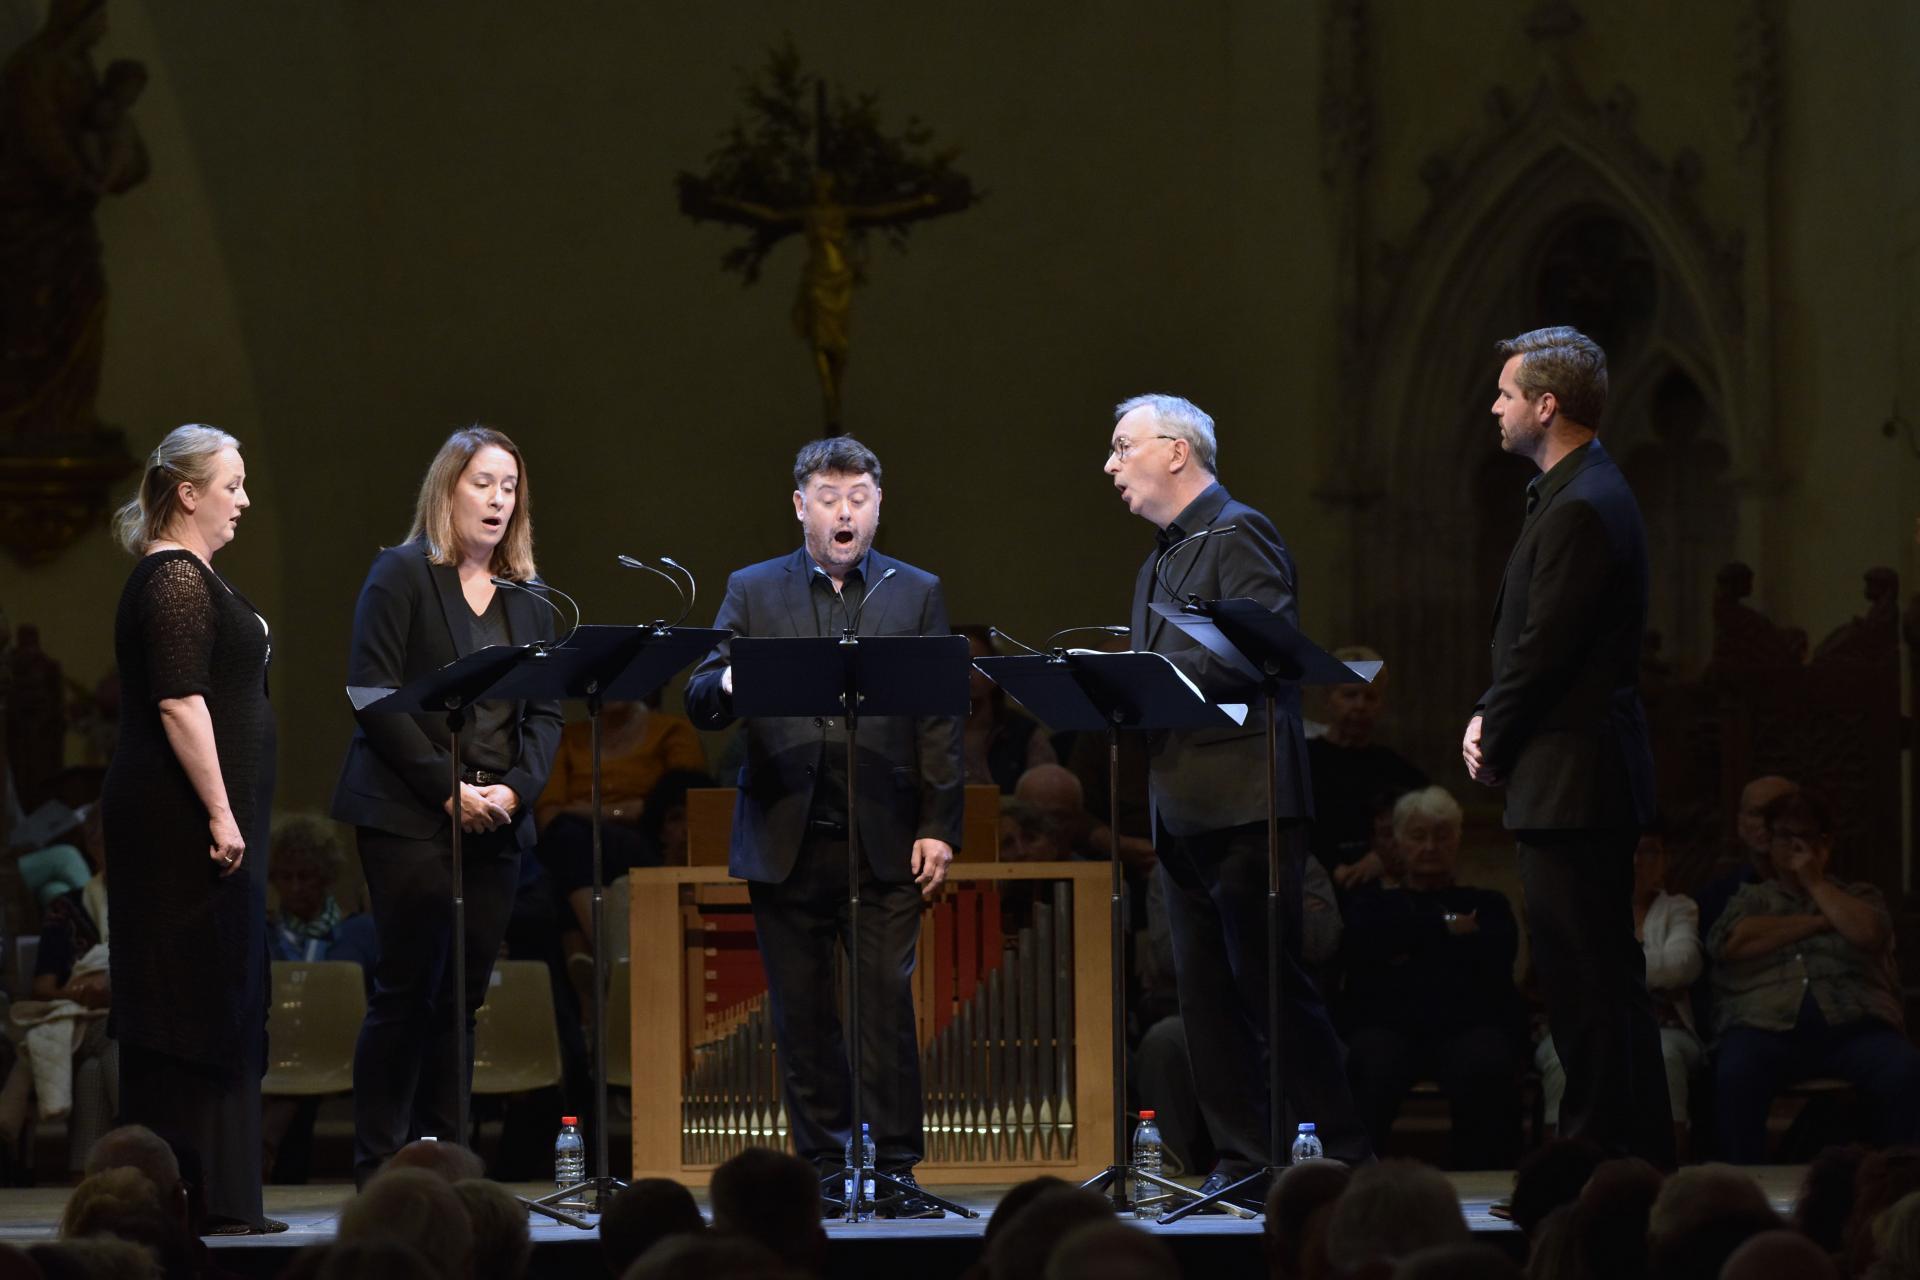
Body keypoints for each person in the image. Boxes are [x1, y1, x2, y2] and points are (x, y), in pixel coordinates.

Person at [685, 436, 962, 1218]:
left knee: (884, 1008)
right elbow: (703, 697)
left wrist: (940, 823)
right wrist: (738, 676)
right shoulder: (751, 590)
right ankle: (826, 1168)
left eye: (860, 498)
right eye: (830, 497)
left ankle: (899, 1169)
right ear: (801, 504)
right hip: (785, 835)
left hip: (884, 834)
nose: (846, 512)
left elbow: (940, 716)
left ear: (879, 505)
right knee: (802, 1016)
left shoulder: (916, 592)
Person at [1103, 392, 1370, 1201]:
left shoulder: (1238, 529)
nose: (1110, 465)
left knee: (1270, 987)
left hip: (1247, 795)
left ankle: (1346, 1157)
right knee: (1205, 997)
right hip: (1181, 802)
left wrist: (1157, 679)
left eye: (1123, 447)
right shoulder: (1161, 555)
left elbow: (1266, 645)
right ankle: (1244, 1158)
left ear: (1176, 451)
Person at [1460, 326, 1672, 1165]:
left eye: (1507, 394)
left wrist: (1493, 727)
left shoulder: (1585, 502)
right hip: (1569, 775)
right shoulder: (1574, 490)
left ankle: (1590, 1168)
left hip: (1574, 778)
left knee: (1585, 988)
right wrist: (1490, 707)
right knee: (1604, 983)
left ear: (1546, 406)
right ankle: (1638, 1164)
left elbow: (1548, 644)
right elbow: (1536, 639)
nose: (1495, 406)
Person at [331, 426, 562, 1187]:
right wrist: (443, 787)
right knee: (407, 989)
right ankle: (380, 1170)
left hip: (494, 821)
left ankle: (450, 1165)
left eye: (509, 487)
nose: (498, 499)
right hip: (408, 814)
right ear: (448, 488)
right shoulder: (400, 574)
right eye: (483, 483)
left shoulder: (530, 602)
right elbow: (370, 691)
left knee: (462, 1000)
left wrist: (516, 789)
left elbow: (548, 718)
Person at [99, 423, 278, 1233]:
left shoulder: (194, 575)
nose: (242, 500)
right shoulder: (172, 576)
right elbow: (179, 697)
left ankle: (227, 1201)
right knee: (186, 998)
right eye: (231, 484)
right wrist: (217, 808)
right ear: (188, 493)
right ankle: (184, 1203)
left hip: (207, 828)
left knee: (220, 993)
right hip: (180, 831)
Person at [1707, 790, 1920, 1162]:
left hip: (1856, 1027)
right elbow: (1733, 943)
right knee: (1735, 1073)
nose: (1794, 846)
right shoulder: (1749, 900)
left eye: (1804, 836)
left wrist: (1815, 884)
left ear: (1825, 843)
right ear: (1769, 843)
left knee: (1904, 1069)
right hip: (1764, 1028)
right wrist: (1822, 922)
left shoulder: (1860, 895)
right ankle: (1743, 1187)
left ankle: (1897, 1185)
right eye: (1784, 836)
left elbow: (1869, 933)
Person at [1336, 786, 1526, 1170]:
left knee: (1487, 1060)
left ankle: (1484, 1181)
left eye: (1441, 836)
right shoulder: (1373, 905)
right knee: (1369, 1059)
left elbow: (1495, 958)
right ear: (1399, 842)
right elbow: (1366, 952)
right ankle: (1354, 1178)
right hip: (1389, 1029)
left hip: (1466, 1027)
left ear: (1457, 839)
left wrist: (1409, 946)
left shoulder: (1488, 904)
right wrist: (1448, 927)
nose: (1430, 847)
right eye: (1418, 836)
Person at [1536, 827, 1702, 1156]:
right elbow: (1568, 971)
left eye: (1649, 851)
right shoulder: (1581, 905)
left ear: (1664, 860)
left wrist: (1605, 961)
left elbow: (1682, 965)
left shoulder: (1678, 908)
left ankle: (1667, 1171)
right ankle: (1557, 1169)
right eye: (1628, 851)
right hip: (1587, 1024)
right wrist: (1642, 966)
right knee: (1562, 1057)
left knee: (1663, 1056)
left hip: (1664, 1026)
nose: (1637, 861)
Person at [534, 690, 708, 941]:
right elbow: (548, 817)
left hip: (648, 840)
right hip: (577, 842)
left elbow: (684, 803)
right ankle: (609, 953)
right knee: (565, 842)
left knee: (571, 849)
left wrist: (592, 811)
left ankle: (599, 953)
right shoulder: (567, 738)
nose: (610, 687)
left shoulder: (672, 731)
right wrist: (625, 809)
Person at [1304, 647, 1426, 888]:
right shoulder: (1302, 760)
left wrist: (1385, 857)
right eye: (1350, 695)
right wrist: (1332, 867)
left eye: (1370, 697)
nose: (1360, 705)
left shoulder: (1395, 768)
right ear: (1328, 699)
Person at [957, 625, 1056, 793]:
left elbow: (1046, 798)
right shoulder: (929, 732)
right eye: (957, 664)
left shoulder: (1022, 732)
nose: (966, 672)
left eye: (974, 663)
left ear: (995, 671)